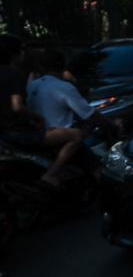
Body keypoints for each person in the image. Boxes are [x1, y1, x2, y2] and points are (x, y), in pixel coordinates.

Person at [0, 34, 84, 187]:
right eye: (21, 51)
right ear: (14, 55)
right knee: (76, 135)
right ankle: (52, 174)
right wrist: (39, 117)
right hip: (20, 132)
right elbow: (17, 106)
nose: (24, 54)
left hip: (4, 134)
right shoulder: (15, 75)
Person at [27, 49, 122, 148]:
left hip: (38, 136)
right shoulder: (64, 87)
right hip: (61, 139)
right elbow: (90, 113)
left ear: (42, 67)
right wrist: (112, 124)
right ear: (63, 66)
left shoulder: (31, 85)